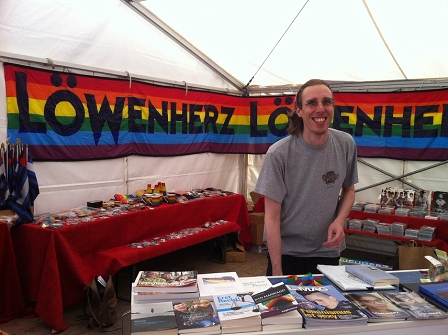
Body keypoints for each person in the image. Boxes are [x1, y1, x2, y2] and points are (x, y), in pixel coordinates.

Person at [254, 79, 358, 276]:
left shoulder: (346, 144)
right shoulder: (279, 154)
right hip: (288, 254)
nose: (321, 108)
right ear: (299, 110)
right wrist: (277, 270)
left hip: (328, 252)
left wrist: (339, 220)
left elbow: (349, 189)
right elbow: (272, 216)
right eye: (312, 103)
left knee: (328, 305)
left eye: (327, 102)